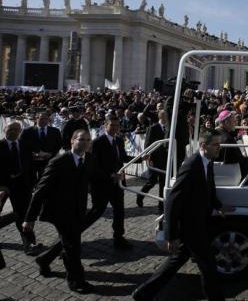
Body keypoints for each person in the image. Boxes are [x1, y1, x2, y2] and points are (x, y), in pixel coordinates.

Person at [132, 130, 230, 301]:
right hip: (191, 226)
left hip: (199, 222)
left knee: (175, 261)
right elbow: (172, 201)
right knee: (208, 266)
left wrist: (219, 206)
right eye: (215, 144)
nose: (218, 148)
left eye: (219, 144)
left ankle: (143, 293)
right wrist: (171, 235)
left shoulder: (208, 161)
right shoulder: (192, 165)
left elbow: (209, 189)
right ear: (203, 146)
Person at [23, 129, 95, 294]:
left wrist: (114, 176)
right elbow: (40, 190)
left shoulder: (90, 159)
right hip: (60, 211)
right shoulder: (59, 161)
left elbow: (96, 176)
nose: (84, 143)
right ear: (72, 141)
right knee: (73, 247)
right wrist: (29, 218)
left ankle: (44, 259)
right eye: (81, 139)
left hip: (78, 210)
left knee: (69, 242)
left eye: (88, 140)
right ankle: (76, 281)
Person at [86, 115, 135, 250]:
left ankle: (118, 238)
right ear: (105, 126)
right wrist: (110, 175)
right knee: (96, 212)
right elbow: (94, 165)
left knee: (119, 211)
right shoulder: (97, 142)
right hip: (102, 185)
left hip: (117, 184)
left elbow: (123, 158)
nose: (115, 128)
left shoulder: (119, 140)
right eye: (112, 125)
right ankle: (72, 236)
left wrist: (141, 158)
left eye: (117, 126)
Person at [0, 121, 42, 256]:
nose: (13, 131)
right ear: (4, 129)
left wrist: (33, 182)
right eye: (10, 129)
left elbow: (31, 165)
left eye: (16, 129)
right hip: (3, 186)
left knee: (23, 213)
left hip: (23, 185)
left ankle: (29, 243)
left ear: (20, 131)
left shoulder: (25, 145)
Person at [138, 110, 169, 212]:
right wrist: (150, 158)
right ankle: (141, 195)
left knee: (163, 183)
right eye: (164, 116)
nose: (165, 118)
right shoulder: (153, 128)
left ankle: (161, 205)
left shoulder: (169, 128)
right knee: (152, 181)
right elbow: (147, 145)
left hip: (165, 160)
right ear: (160, 116)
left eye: (166, 116)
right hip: (155, 160)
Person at [20, 111, 62, 183]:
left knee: (45, 181)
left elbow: (59, 145)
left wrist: (51, 154)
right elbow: (22, 145)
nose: (43, 121)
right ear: (36, 119)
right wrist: (32, 154)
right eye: (41, 118)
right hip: (32, 161)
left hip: (48, 161)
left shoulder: (55, 131)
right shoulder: (27, 131)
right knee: (31, 181)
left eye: (46, 119)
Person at [214, 109, 248, 179]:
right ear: (227, 122)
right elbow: (240, 161)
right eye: (234, 120)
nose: (236, 123)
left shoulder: (216, 133)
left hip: (219, 172)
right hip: (230, 174)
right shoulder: (228, 139)